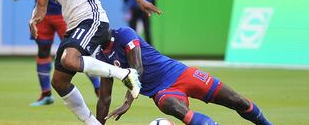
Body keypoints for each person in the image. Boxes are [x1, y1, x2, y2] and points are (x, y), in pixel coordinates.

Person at [30, 0, 162, 124]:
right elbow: (41, 4)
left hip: (93, 20)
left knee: (69, 59)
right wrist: (36, 17)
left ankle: (124, 74)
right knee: (59, 82)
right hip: (74, 27)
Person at [96, 27, 272, 125]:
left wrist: (128, 102)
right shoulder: (101, 57)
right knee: (177, 109)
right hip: (161, 91)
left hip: (181, 73)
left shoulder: (124, 34)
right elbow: (104, 97)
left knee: (237, 101)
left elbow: (138, 69)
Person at [9, 0, 101, 106]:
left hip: (65, 13)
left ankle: (98, 87)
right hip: (42, 11)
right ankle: (46, 94)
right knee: (43, 50)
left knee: (77, 52)